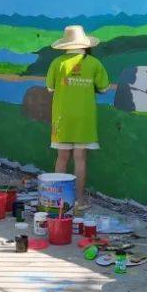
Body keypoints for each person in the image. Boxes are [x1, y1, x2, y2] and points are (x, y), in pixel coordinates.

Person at [45, 25, 109, 206]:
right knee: (80, 158)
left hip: (62, 117)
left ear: (66, 44)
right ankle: (79, 200)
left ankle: (58, 200)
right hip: (85, 117)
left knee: (62, 157)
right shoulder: (94, 63)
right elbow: (103, 88)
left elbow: (50, 88)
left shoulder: (57, 63)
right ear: (85, 44)